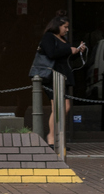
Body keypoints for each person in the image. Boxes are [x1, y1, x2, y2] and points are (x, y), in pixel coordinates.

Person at [30, 13, 86, 147]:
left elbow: (65, 57)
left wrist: (77, 52)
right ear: (57, 26)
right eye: (65, 27)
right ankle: (51, 138)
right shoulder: (48, 37)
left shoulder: (62, 40)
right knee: (58, 108)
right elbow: (51, 53)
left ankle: (56, 138)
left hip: (62, 76)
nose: (67, 30)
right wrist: (69, 49)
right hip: (51, 76)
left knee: (64, 107)